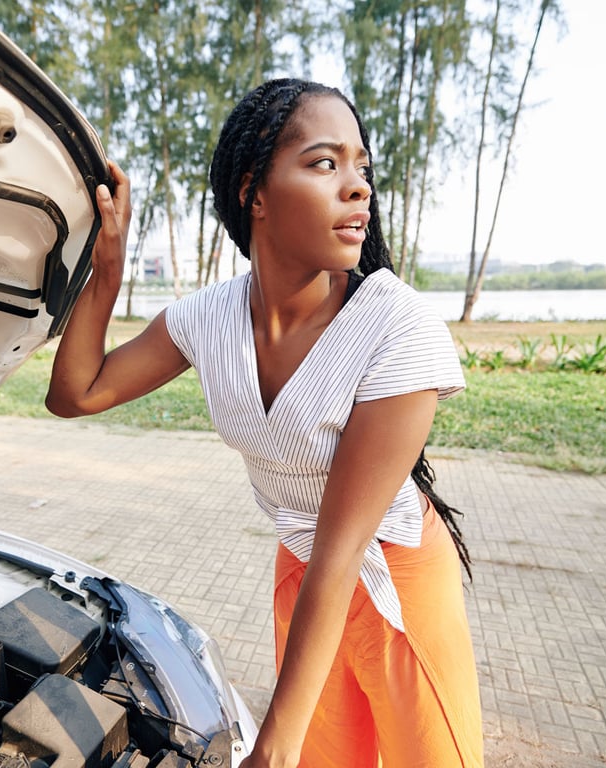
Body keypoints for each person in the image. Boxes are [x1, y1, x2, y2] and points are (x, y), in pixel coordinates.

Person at [46, 78, 484, 768]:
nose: (359, 186)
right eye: (324, 162)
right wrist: (106, 271)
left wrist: (272, 746)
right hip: (303, 567)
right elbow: (76, 393)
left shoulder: (400, 329)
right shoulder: (210, 318)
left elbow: (345, 552)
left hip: (395, 576)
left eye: (361, 166)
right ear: (253, 190)